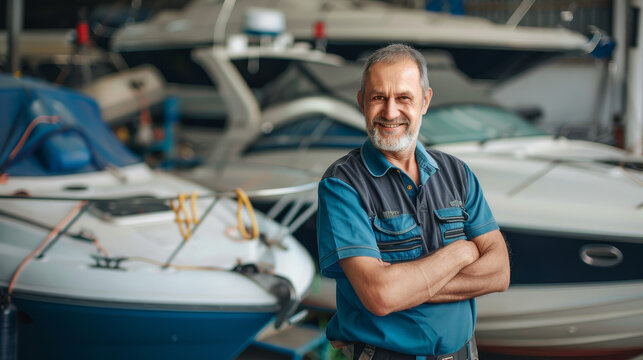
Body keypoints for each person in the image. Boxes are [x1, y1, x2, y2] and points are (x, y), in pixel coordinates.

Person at [316, 43, 510, 360]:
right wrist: (463, 251)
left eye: (404, 98)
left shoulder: (457, 173)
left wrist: (406, 288)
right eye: (378, 97)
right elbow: (380, 296)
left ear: (425, 101)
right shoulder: (342, 184)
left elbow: (499, 273)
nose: (390, 112)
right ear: (361, 102)